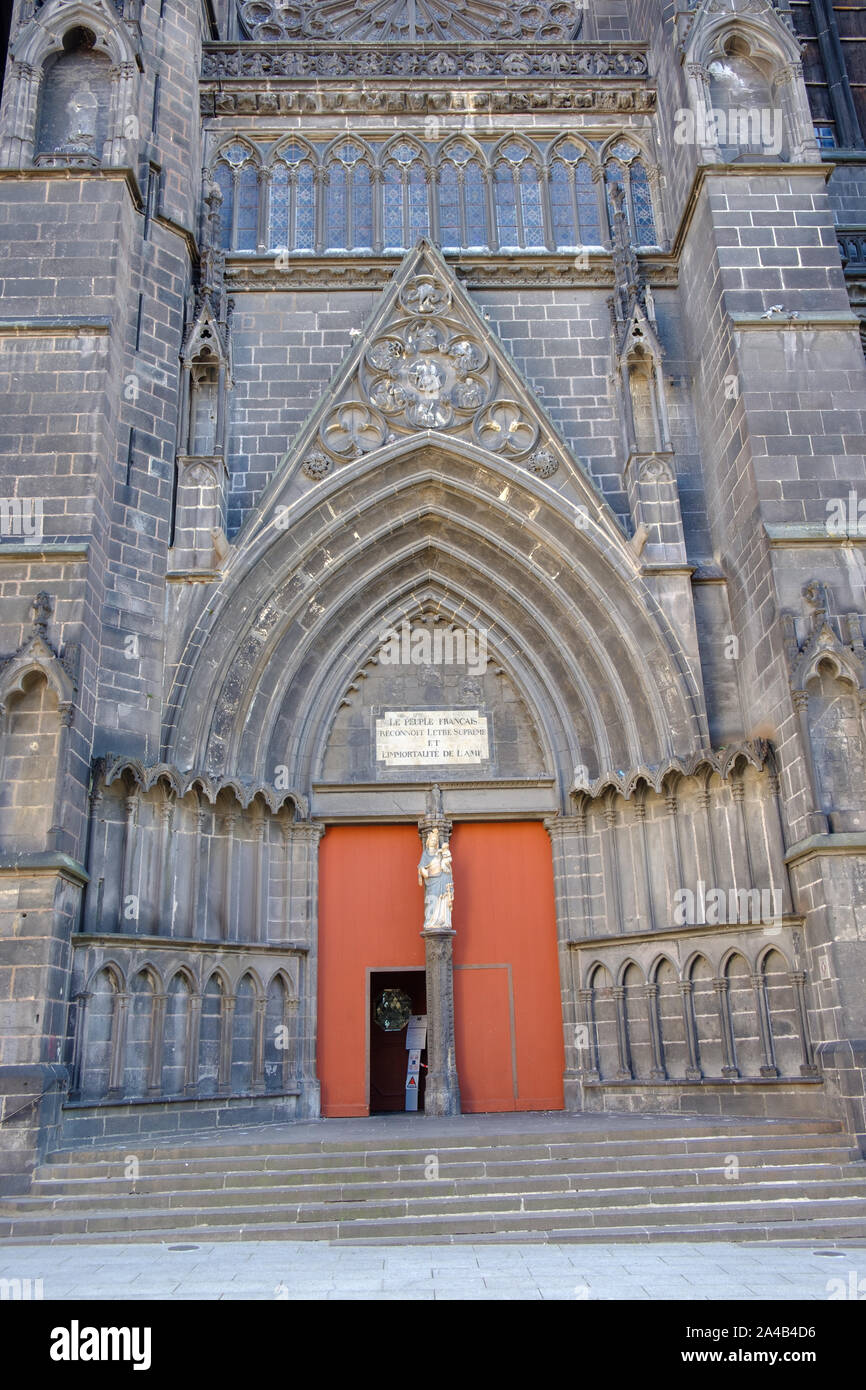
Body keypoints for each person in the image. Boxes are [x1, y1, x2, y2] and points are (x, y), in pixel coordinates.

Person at [418, 827, 454, 931]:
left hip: (442, 879)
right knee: (432, 900)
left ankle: (442, 920)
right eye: (432, 840)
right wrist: (422, 871)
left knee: (442, 900)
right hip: (431, 881)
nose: (433, 842)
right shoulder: (426, 854)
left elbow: (447, 864)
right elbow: (421, 866)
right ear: (428, 841)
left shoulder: (440, 852)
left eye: (435, 840)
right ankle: (430, 921)